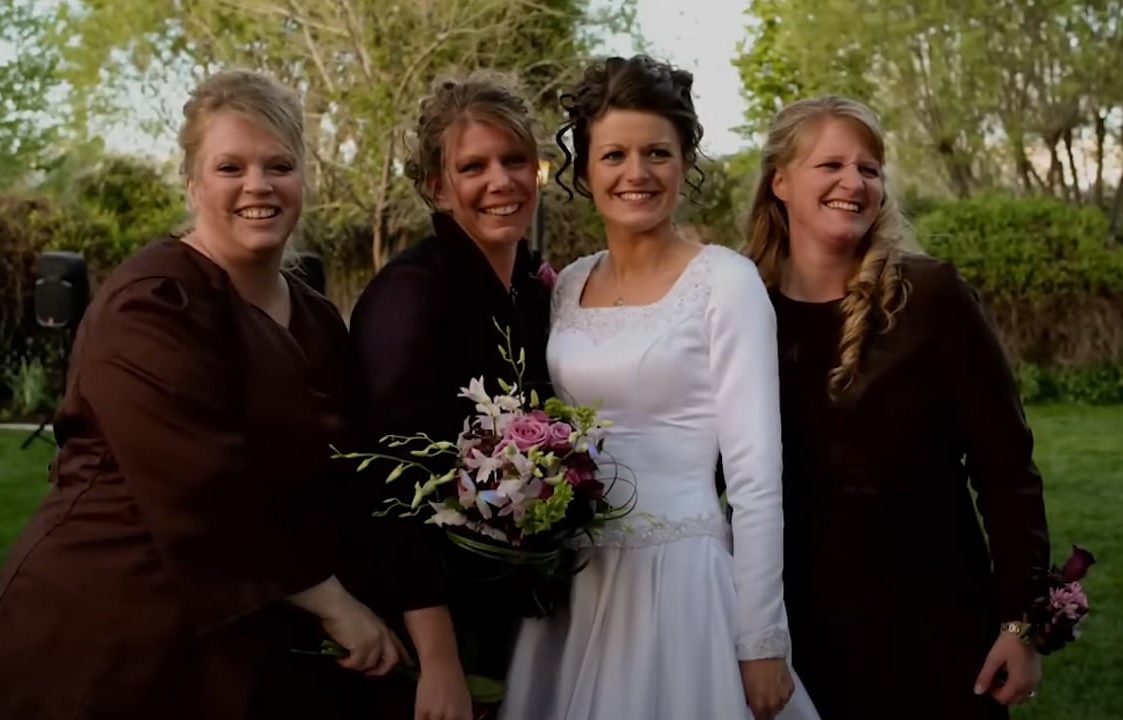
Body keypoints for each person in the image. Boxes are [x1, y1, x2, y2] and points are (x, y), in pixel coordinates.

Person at [0, 69, 403, 720]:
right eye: (230, 166)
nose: (258, 186)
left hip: (256, 628)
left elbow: (345, 469)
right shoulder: (151, 303)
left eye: (278, 165)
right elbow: (203, 482)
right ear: (192, 180)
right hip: (112, 626)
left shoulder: (315, 316)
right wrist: (335, 604)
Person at [498, 55, 821, 720]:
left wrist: (762, 637)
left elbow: (757, 477)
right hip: (575, 586)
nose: (636, 173)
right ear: (585, 169)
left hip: (682, 586)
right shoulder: (568, 288)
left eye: (657, 153)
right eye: (614, 154)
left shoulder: (725, 284)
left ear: (684, 162)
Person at [745, 95, 1051, 720]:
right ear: (780, 181)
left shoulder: (932, 296)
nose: (853, 183)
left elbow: (1006, 467)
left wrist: (1022, 623)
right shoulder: (741, 308)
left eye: (870, 169)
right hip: (795, 631)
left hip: (935, 625)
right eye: (830, 165)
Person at [343, 75, 553, 720]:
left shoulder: (536, 290)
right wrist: (437, 661)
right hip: (429, 627)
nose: (500, 181)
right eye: (473, 166)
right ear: (437, 187)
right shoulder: (410, 295)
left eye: (515, 161)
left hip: (515, 611)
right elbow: (389, 482)